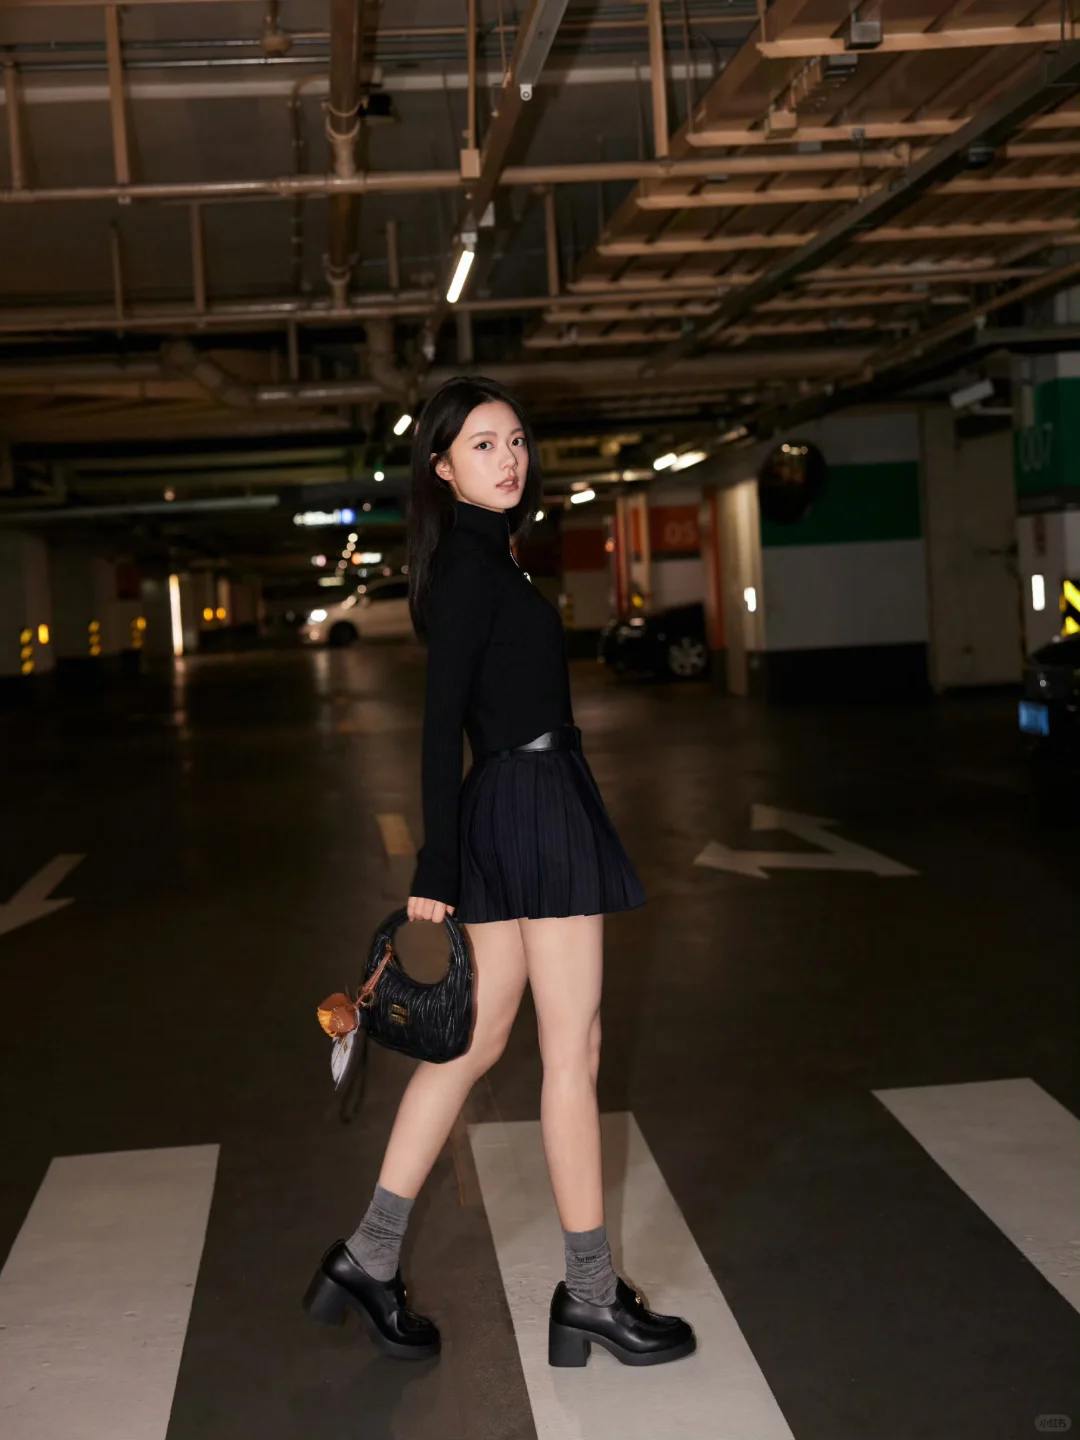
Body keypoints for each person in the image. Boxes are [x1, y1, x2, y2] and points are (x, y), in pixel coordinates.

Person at [303, 376, 695, 1368]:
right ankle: (591, 1298)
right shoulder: (474, 572)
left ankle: (368, 1256)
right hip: (531, 810)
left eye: (515, 440)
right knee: (574, 1051)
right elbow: (440, 725)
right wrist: (435, 864)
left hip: (516, 805)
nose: (508, 458)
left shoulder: (487, 559)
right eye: (482, 445)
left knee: (475, 1044)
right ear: (441, 467)